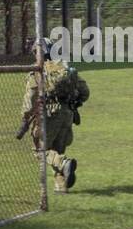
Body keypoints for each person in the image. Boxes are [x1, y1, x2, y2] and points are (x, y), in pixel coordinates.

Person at [20, 43, 89, 193]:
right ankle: (61, 186)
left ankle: (64, 163)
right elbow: (85, 91)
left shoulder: (38, 71)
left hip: (49, 115)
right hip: (68, 114)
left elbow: (30, 99)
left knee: (40, 150)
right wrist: (75, 103)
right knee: (57, 150)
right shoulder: (64, 68)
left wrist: (25, 118)